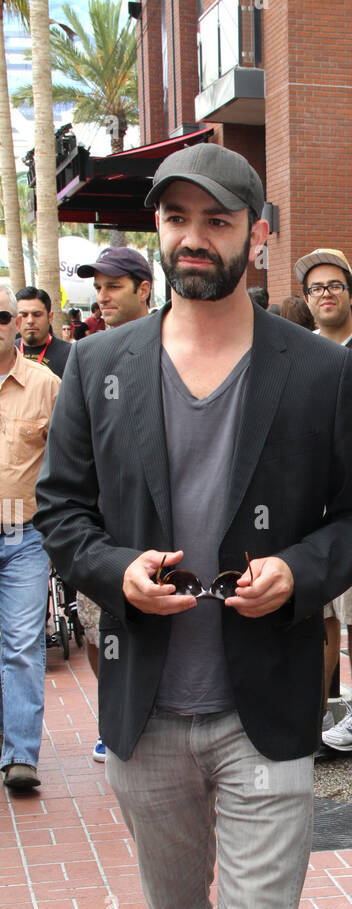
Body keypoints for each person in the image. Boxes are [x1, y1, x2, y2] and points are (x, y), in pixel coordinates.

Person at [35, 143, 352, 909]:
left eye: (216, 219)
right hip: (144, 706)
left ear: (258, 233)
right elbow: (63, 515)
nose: (194, 236)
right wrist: (115, 573)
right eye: (175, 217)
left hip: (266, 705)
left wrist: (302, 573)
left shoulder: (315, 372)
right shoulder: (102, 371)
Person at [76, 248, 155, 759]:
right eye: (98, 287)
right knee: (94, 629)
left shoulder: (166, 353)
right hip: (102, 539)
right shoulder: (87, 356)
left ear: (143, 288)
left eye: (113, 286)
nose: (102, 297)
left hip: (153, 537)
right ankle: (115, 712)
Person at [295, 248, 352, 752]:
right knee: (326, 616)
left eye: (334, 284)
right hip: (314, 510)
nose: (326, 294)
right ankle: (313, 719)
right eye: (316, 288)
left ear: (351, 293)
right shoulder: (302, 354)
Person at [0, 284, 61, 791]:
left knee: (22, 644)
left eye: (1, 315)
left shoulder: (46, 385)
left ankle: (21, 756)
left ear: (16, 323)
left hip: (26, 537)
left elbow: (69, 461)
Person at [77, 247, 154, 329]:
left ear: (143, 291)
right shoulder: (98, 341)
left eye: (113, 287)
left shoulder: (165, 339)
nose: (101, 299)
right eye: (98, 288)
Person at [15, 287, 72, 378]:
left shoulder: (70, 354)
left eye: (37, 315)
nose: (30, 320)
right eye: (24, 315)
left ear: (50, 317)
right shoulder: (7, 352)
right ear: (16, 319)